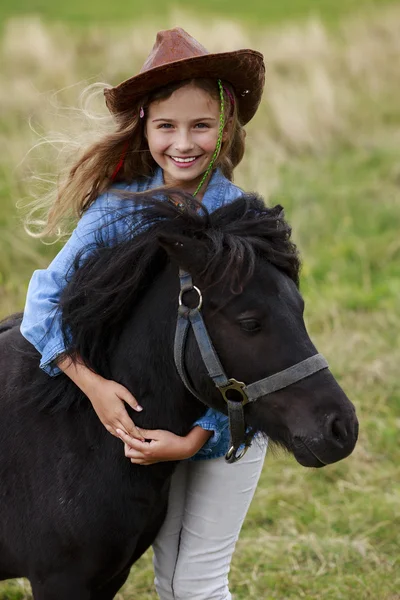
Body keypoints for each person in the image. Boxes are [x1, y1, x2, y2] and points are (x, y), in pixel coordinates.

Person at [20, 27, 267, 600]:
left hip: (227, 421)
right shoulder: (119, 211)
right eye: (166, 126)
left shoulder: (240, 222)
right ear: (145, 129)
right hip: (152, 417)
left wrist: (195, 439)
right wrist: (92, 384)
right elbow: (42, 300)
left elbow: (263, 349)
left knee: (197, 584)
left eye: (201, 125)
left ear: (226, 129)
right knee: (166, 582)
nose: (183, 143)